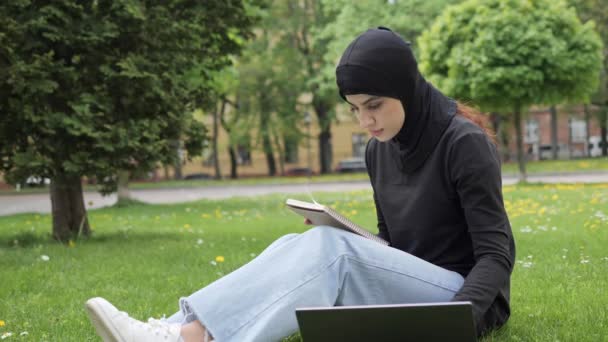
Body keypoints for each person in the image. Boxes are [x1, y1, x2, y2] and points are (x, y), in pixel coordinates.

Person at [85, 27, 515, 342]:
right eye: (353, 109)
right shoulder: (378, 149)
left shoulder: (464, 143)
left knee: (331, 251)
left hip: (465, 302)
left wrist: (458, 321)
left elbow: (497, 254)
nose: (365, 121)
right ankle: (177, 325)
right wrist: (354, 237)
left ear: (406, 88)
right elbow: (394, 243)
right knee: (296, 244)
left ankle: (187, 339)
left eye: (374, 106)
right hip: (415, 290)